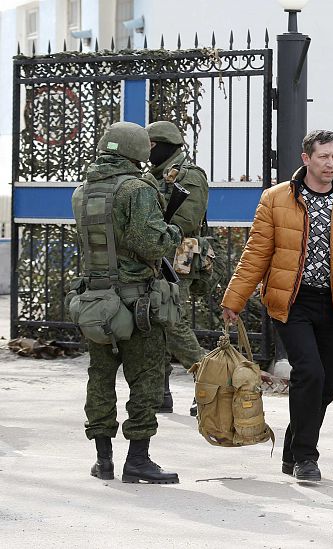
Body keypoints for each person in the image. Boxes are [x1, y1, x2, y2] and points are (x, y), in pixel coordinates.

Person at [221, 129, 333, 482]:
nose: (330, 163)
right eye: (323, 156)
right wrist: (235, 298)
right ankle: (307, 456)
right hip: (291, 302)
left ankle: (292, 446)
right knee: (310, 373)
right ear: (306, 159)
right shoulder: (277, 199)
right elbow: (257, 252)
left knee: (325, 385)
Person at [72, 121, 183, 483]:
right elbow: (150, 242)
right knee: (146, 378)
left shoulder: (82, 191)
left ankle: (103, 460)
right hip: (136, 304)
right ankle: (137, 460)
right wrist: (174, 232)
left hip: (95, 301)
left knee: (100, 377)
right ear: (138, 152)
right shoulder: (136, 189)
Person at [146, 120, 210, 415]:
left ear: (164, 146)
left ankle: (209, 381)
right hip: (153, 256)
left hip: (178, 256)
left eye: (151, 146)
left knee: (173, 320)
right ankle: (160, 391)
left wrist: (147, 226)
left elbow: (185, 220)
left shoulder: (190, 176)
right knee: (154, 322)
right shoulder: (152, 176)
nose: (147, 152)